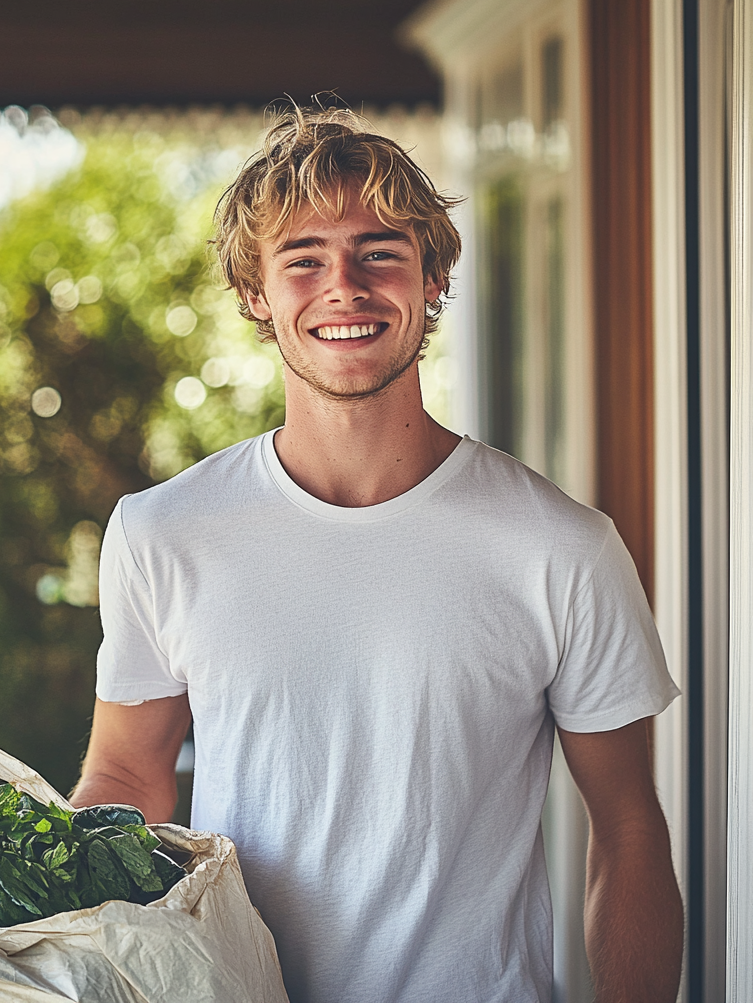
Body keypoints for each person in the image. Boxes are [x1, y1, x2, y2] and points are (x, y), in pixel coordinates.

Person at [70, 109, 683, 1003]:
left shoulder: (560, 548)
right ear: (255, 294)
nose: (344, 287)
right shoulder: (163, 532)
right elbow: (126, 775)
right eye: (303, 258)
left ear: (434, 277)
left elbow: (628, 830)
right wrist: (20, 900)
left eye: (380, 252)